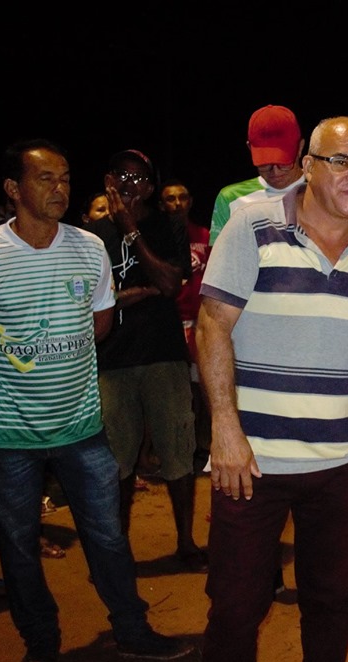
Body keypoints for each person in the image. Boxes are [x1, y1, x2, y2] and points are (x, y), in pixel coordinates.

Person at [197, 116, 348, 662]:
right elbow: (211, 326)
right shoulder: (251, 226)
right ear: (309, 165)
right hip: (252, 462)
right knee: (236, 608)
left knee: (329, 603)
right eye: (341, 160)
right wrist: (225, 430)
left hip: (340, 463)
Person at [0, 138, 194, 662]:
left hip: (82, 428)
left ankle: (132, 630)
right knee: (18, 546)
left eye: (64, 177)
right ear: (13, 188)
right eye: (45, 178)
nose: (59, 187)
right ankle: (41, 643)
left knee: (108, 537)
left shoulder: (87, 247)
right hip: (9, 435)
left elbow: (100, 325)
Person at [83, 150, 206, 573]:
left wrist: (130, 230)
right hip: (111, 359)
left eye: (138, 178)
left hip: (162, 354)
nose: (129, 184)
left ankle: (186, 543)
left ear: (151, 188)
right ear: (108, 180)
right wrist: (137, 291)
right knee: (116, 460)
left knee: (177, 452)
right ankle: (117, 549)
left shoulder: (167, 225)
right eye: (121, 175)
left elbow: (170, 283)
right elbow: (89, 300)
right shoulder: (91, 235)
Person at [158, 178, 211, 465]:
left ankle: (203, 446)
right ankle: (176, 450)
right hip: (169, 324)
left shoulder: (205, 235)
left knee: (204, 389)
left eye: (182, 197)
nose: (177, 204)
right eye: (170, 198)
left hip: (201, 323)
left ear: (190, 202)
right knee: (176, 393)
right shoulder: (156, 238)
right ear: (161, 204)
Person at [208, 104, 306, 247]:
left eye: (283, 162)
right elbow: (217, 258)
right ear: (249, 148)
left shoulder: (323, 192)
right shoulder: (230, 198)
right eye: (265, 163)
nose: (275, 171)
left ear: (300, 148)